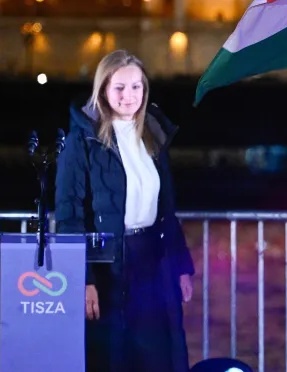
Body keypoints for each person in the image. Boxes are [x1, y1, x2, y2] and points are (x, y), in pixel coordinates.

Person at [55, 49, 195, 372]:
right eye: (119, 87)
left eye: (136, 87)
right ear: (103, 89)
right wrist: (83, 279)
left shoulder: (152, 135)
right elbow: (68, 214)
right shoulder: (82, 140)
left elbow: (166, 209)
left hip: (153, 261)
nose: (129, 96)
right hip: (108, 266)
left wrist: (181, 266)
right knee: (113, 357)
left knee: (160, 355)